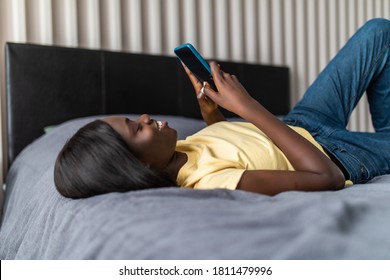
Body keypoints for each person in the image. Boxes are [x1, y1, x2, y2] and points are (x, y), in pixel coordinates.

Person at [54, 18, 390, 199]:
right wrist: (248, 106)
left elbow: (234, 145)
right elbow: (326, 179)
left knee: (378, 33)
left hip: (302, 121)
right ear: (138, 166)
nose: (145, 118)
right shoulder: (207, 183)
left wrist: (212, 113)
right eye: (136, 128)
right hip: (339, 156)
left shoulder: (174, 150)